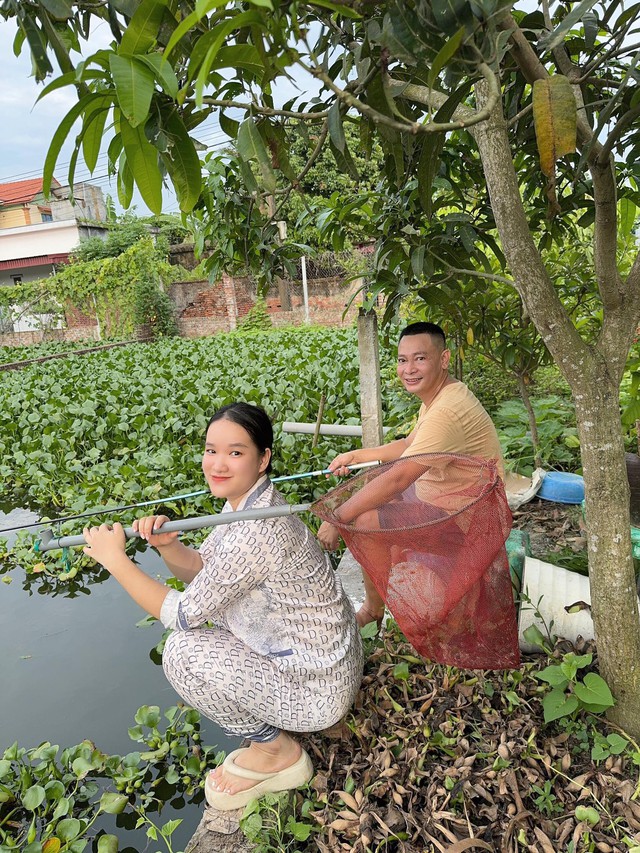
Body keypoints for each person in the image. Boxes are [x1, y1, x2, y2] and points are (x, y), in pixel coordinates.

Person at [81, 402, 363, 812]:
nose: (217, 464)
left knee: (182, 653)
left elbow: (181, 614)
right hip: (323, 666)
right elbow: (202, 571)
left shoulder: (259, 529)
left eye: (235, 452)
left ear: (263, 458)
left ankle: (275, 751)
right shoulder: (246, 503)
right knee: (191, 641)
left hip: (317, 691)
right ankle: (270, 741)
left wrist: (116, 561)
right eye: (211, 450)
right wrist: (169, 546)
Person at [317, 321, 504, 629]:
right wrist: (357, 456)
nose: (409, 369)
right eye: (403, 360)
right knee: (372, 494)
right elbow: (408, 445)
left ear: (443, 359)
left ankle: (373, 610)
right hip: (457, 505)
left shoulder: (446, 412)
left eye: (420, 358)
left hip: (468, 521)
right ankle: (380, 601)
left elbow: (399, 478)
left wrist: (337, 517)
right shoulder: (442, 395)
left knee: (364, 521)